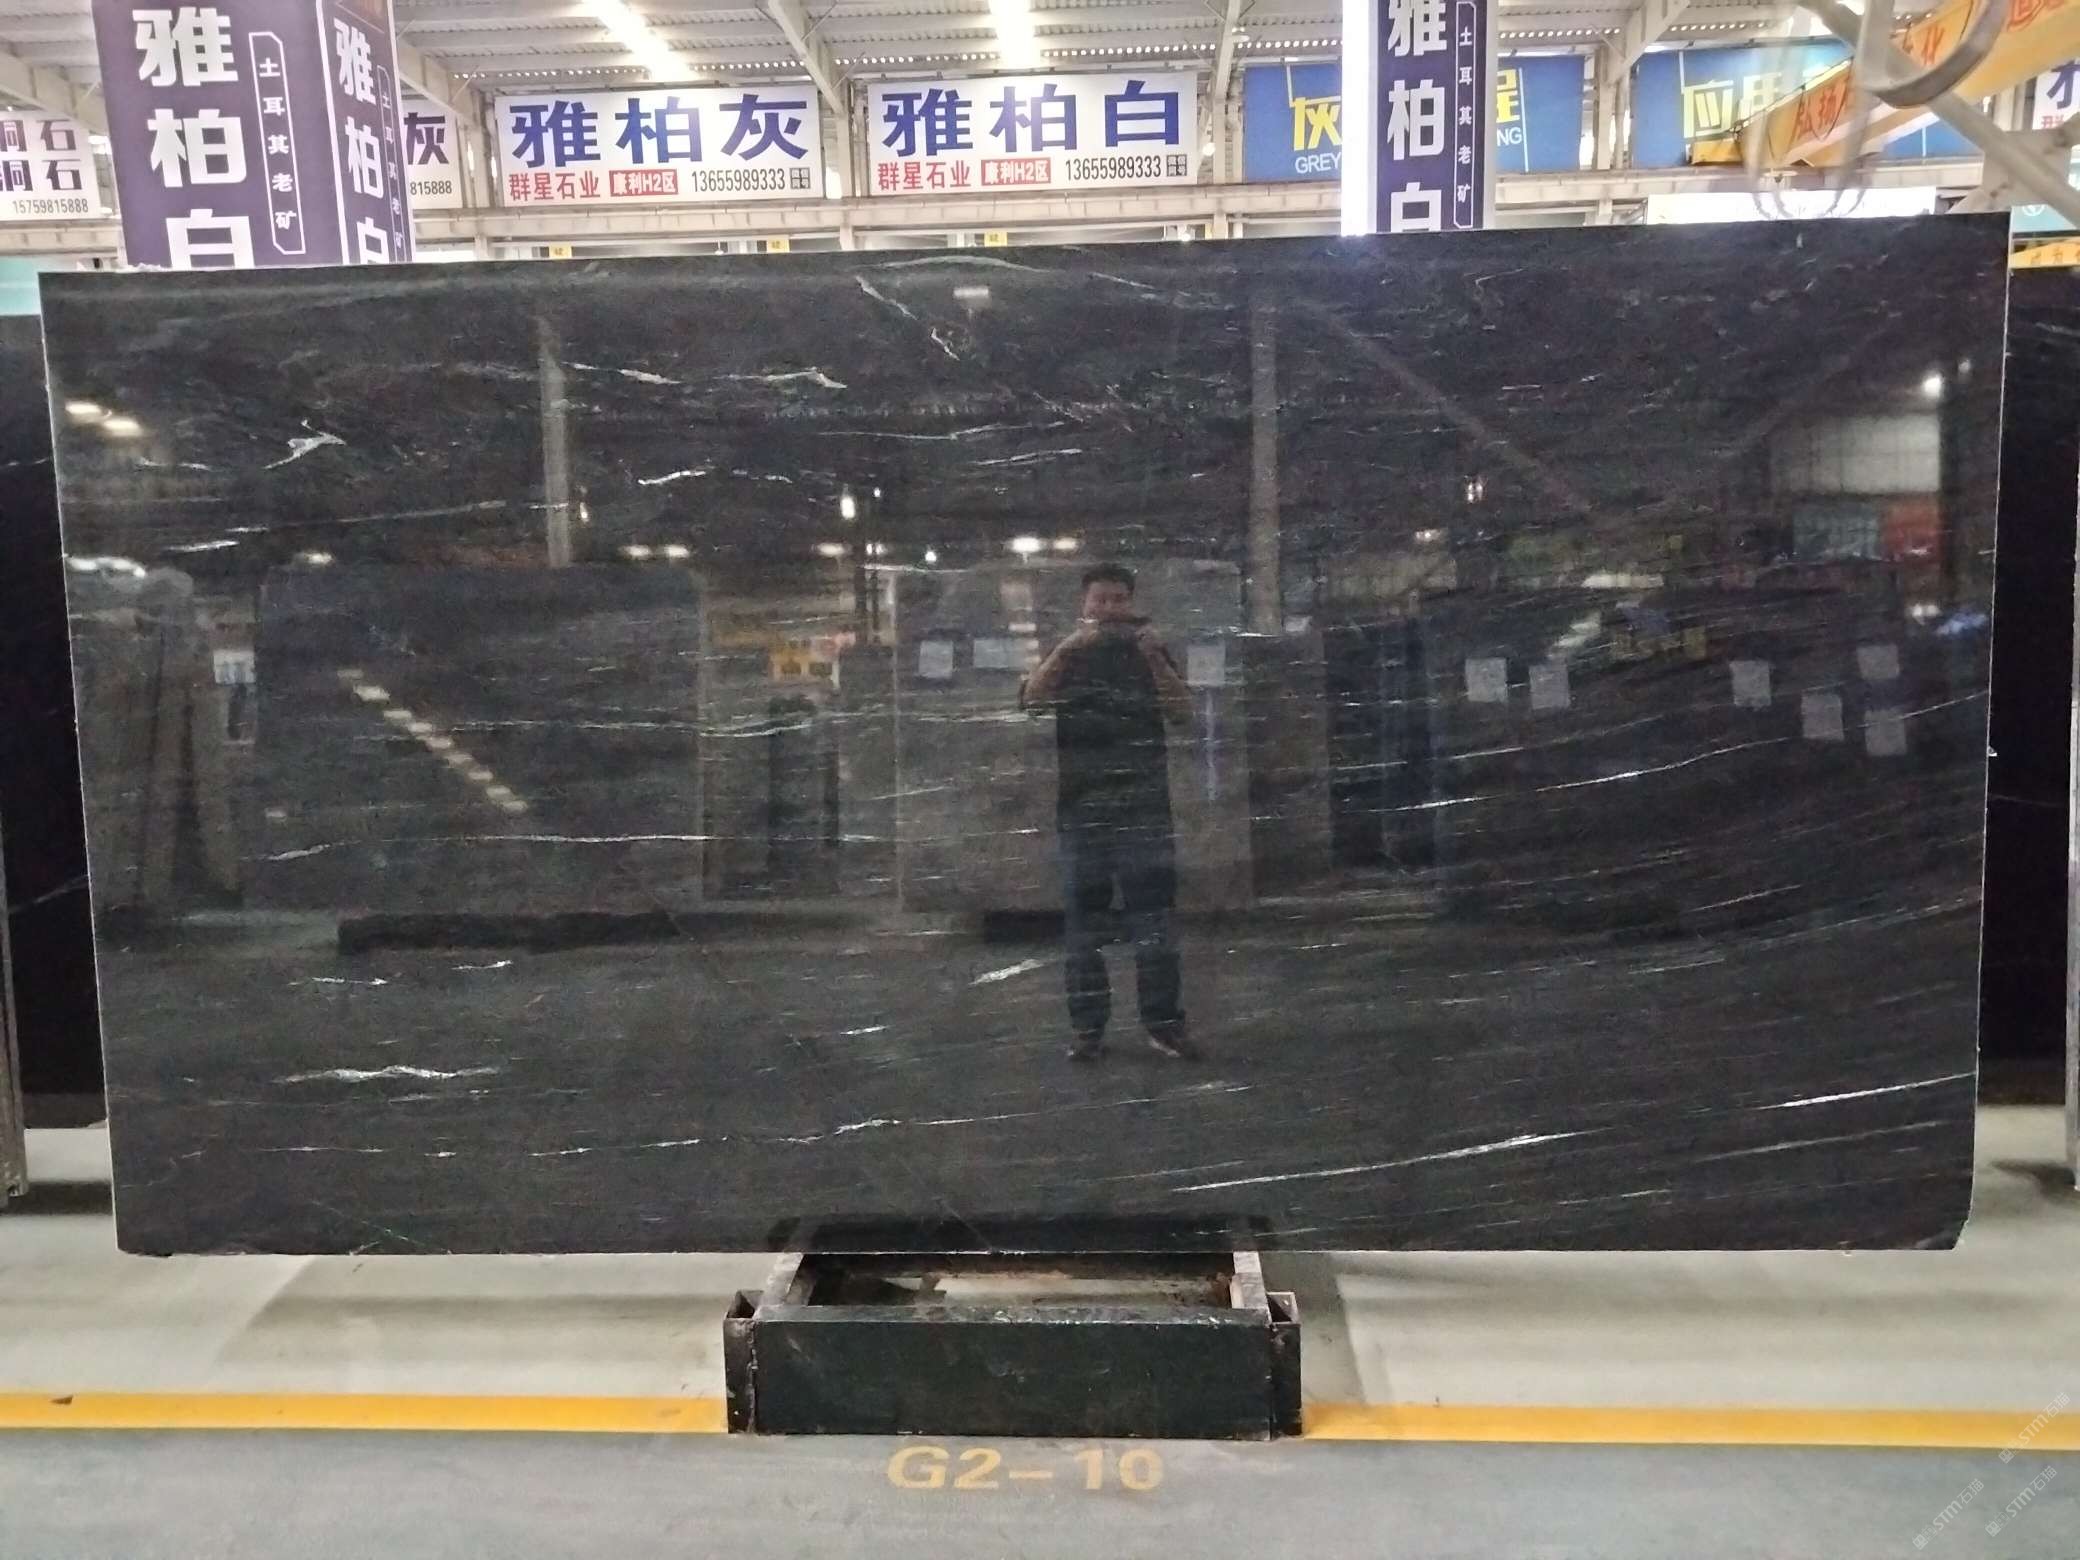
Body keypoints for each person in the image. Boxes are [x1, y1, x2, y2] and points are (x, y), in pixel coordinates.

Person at [1019, 563, 1196, 1061]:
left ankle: (1163, 1026)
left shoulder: (1150, 653)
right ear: (1085, 604)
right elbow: (1032, 702)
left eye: (1119, 599)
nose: (1110, 609)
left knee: (1155, 924)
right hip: (1082, 811)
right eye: (1101, 600)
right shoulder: (1068, 655)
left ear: (1132, 603)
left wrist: (1155, 658)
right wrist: (1066, 649)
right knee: (1083, 927)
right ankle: (1087, 1031)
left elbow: (1184, 714)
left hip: (1144, 811)